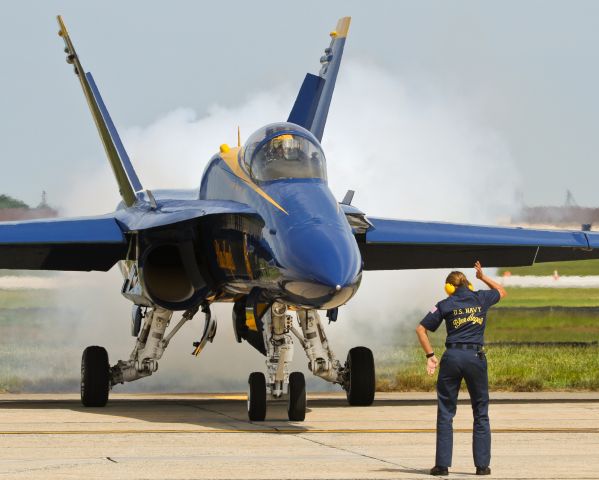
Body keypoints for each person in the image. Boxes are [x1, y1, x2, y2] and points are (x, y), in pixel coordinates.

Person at [415, 261, 506, 476]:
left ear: (449, 287)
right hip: (475, 357)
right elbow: (502, 291)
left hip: (452, 357)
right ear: (468, 285)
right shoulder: (481, 298)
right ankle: (482, 467)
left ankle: (442, 466)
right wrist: (482, 277)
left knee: (446, 412)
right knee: (481, 412)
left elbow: (421, 329)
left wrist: (430, 356)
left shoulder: (445, 304)